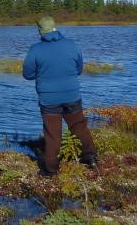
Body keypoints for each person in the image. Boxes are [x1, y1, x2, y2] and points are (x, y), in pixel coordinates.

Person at [22, 16, 97, 176]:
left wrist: (43, 73)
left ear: (40, 31)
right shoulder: (72, 45)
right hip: (72, 96)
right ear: (55, 28)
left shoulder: (35, 49)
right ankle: (91, 158)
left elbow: (27, 74)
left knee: (52, 133)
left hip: (49, 100)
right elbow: (78, 69)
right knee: (79, 127)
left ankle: (51, 170)